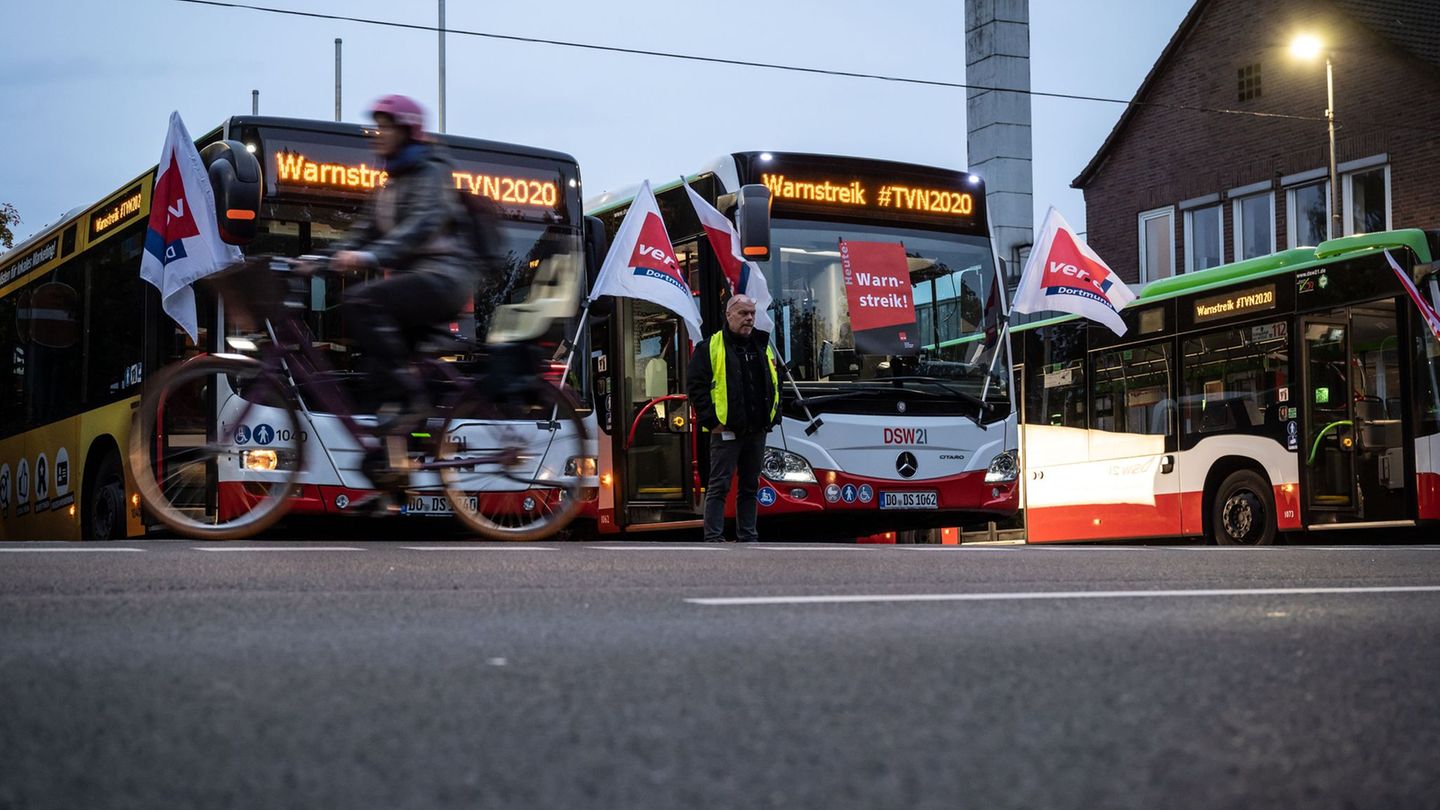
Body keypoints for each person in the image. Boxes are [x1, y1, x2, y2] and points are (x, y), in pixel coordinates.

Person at [332, 94, 477, 426]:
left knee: (361, 301)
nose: (378, 134)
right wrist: (316, 258)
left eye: (386, 128)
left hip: (444, 278)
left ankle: (412, 399)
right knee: (375, 371)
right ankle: (395, 457)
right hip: (419, 282)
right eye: (377, 127)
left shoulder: (431, 172)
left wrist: (370, 256)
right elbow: (362, 231)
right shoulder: (390, 185)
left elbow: (422, 225)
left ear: (407, 131)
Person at [687, 294, 781, 543]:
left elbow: (774, 382)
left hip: (756, 428)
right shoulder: (710, 347)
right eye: (743, 313)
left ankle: (748, 535)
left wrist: (773, 417)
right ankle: (714, 536)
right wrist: (712, 421)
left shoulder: (762, 345)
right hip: (725, 430)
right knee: (719, 486)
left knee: (750, 487)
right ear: (728, 315)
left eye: (752, 313)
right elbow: (696, 387)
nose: (749, 318)